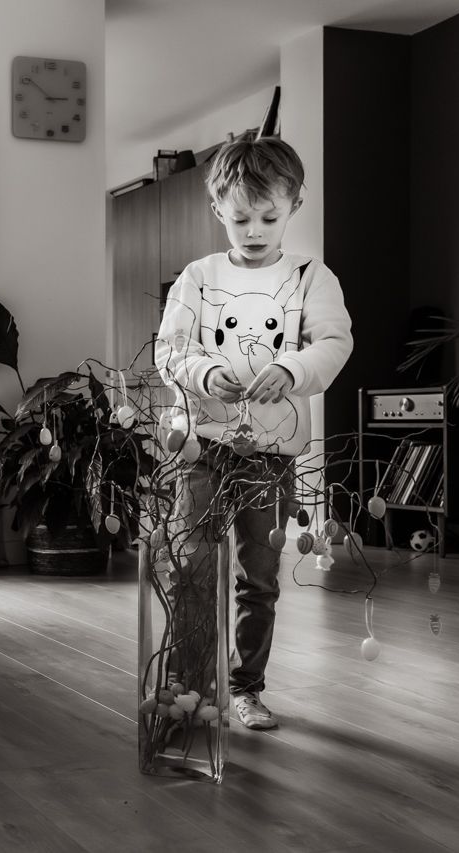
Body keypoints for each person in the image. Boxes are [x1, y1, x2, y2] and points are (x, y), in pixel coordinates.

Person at [154, 135, 353, 729]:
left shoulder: (312, 277)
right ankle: (187, 693)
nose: (255, 229)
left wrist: (291, 368)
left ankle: (246, 688)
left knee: (258, 579)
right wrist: (204, 372)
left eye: (269, 215)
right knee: (191, 569)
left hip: (269, 457)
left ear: (294, 204)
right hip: (201, 450)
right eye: (240, 217)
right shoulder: (198, 276)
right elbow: (170, 351)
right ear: (219, 210)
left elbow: (334, 343)